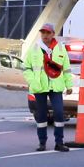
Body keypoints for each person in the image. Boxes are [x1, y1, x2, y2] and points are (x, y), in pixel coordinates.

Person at [23, 23, 73, 151]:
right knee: (41, 116)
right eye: (43, 32)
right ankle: (42, 143)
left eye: (48, 33)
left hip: (56, 86)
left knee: (59, 113)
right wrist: (32, 82)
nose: (45, 35)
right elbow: (26, 68)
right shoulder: (34, 48)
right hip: (39, 87)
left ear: (53, 34)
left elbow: (66, 69)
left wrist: (69, 85)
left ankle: (59, 142)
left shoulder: (61, 49)